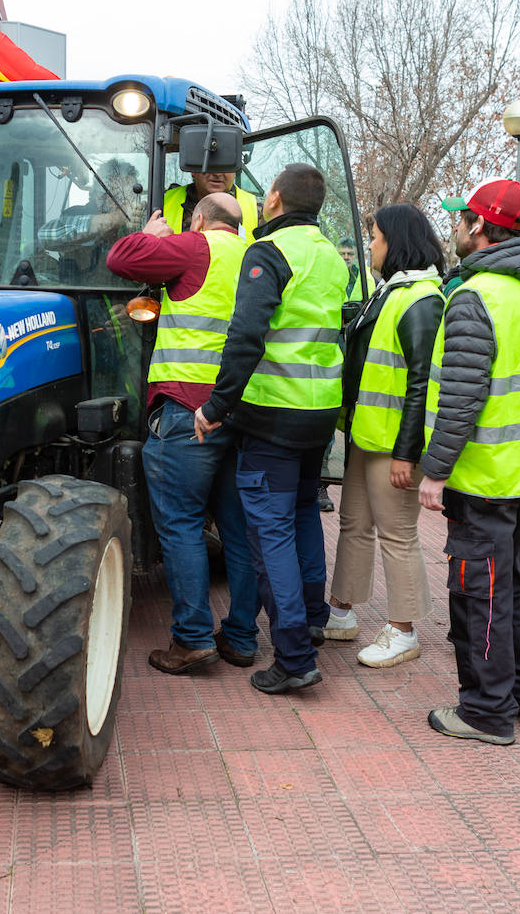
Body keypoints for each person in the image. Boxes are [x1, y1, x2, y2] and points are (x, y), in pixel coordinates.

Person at [422, 178, 520, 744]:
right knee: (507, 585)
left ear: (479, 227)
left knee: (479, 595)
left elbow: (462, 396)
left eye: (462, 219)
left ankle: (486, 710)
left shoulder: (476, 295)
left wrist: (435, 471)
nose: (456, 228)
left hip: (486, 473)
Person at [194, 163, 346, 695]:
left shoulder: (270, 252)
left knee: (270, 530)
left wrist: (216, 406)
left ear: (274, 199)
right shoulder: (330, 255)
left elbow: (246, 336)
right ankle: (312, 617)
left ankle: (294, 656)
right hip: (319, 413)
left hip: (273, 414)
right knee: (304, 512)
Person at [105, 194, 262, 673]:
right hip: (242, 408)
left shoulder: (196, 247)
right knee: (238, 529)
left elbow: (120, 259)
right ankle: (241, 636)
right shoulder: (257, 256)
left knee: (182, 525)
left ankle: (192, 639)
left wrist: (151, 237)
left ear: (199, 219)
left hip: (187, 410)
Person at [325, 205, 445, 667]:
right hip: (366, 434)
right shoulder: (391, 292)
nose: (369, 245)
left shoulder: (421, 299)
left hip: (392, 442)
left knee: (397, 534)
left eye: (374, 236)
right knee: (354, 523)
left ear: (396, 241)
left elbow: (421, 382)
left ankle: (404, 630)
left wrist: (406, 453)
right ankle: (341, 613)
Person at [163, 169, 258, 236]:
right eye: (209, 164)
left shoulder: (257, 210)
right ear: (192, 169)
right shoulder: (160, 203)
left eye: (225, 165)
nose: (217, 173)